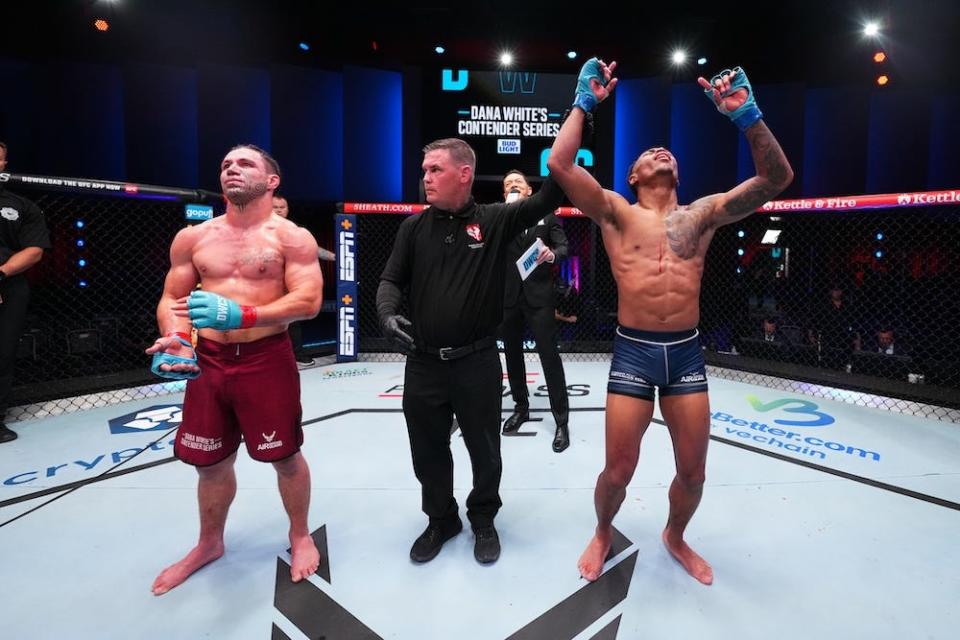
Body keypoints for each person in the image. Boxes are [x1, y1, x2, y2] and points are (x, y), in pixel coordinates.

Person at [547, 59, 793, 584]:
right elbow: (562, 166)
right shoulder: (615, 212)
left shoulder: (702, 214)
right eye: (647, 152)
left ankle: (675, 536)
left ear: (678, 173)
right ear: (633, 175)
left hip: (684, 352)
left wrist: (747, 116)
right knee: (618, 470)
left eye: (668, 151)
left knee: (694, 472)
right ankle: (602, 529)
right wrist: (583, 102)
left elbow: (776, 178)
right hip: (634, 351)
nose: (661, 150)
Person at [145, 144, 323, 595]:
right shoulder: (193, 238)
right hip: (209, 363)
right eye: (226, 164)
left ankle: (299, 535)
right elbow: (173, 299)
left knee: (283, 456)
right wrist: (178, 336)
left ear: (271, 181)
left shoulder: (291, 237)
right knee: (209, 463)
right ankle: (209, 543)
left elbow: (308, 301)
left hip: (266, 358)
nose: (232, 169)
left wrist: (242, 315)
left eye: (245, 163)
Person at [376, 138, 564, 565]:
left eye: (435, 169)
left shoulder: (494, 220)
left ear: (464, 173)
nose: (425, 177)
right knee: (427, 450)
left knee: (485, 449)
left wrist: (582, 111)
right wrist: (387, 315)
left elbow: (554, 192)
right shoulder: (413, 228)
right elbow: (389, 281)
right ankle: (441, 519)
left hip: (476, 360)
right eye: (424, 170)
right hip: (423, 362)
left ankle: (483, 517)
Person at [499, 169, 571, 452]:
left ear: (529, 190)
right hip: (508, 298)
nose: (513, 186)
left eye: (518, 182)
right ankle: (521, 407)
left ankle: (562, 421)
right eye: (508, 184)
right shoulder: (498, 219)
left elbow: (563, 247)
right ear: (505, 194)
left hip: (539, 298)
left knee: (549, 357)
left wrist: (553, 255)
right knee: (513, 356)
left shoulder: (548, 216)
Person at [0, 141, 52, 443]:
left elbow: (34, 251)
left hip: (9, 285)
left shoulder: (21, 206)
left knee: (3, 352)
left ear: (4, 165)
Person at [271, 194, 335, 366]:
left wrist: (334, 257)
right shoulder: (257, 228)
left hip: (288, 281)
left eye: (281, 207)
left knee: (293, 318)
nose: (278, 211)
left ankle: (296, 354)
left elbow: (312, 249)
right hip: (265, 282)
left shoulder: (296, 230)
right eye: (274, 207)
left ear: (287, 210)